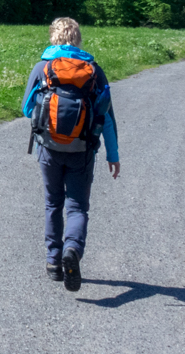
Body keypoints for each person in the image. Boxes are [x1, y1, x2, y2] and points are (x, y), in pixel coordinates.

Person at [21, 17, 120, 292]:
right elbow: (107, 118)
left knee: (53, 204)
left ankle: (53, 262)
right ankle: (73, 250)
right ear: (77, 38)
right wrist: (113, 154)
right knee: (76, 206)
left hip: (48, 149)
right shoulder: (94, 70)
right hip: (82, 151)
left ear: (53, 37)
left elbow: (27, 109)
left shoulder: (43, 67)